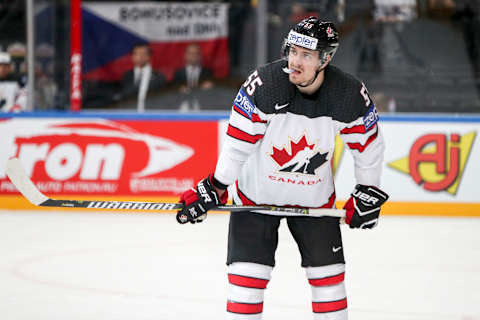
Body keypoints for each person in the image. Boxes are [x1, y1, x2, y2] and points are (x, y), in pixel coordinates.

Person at [176, 17, 389, 320]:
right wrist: (217, 185)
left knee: (330, 286)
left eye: (306, 55)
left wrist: (367, 190)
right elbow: (237, 144)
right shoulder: (265, 84)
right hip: (255, 199)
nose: (295, 61)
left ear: (325, 59)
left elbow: (368, 145)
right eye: (292, 51)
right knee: (245, 289)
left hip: (314, 203)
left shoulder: (348, 94)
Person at [117, 43, 166, 111]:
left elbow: (163, 99)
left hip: (152, 115)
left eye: (143, 54)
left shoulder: (158, 77)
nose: (140, 57)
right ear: (132, 57)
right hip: (129, 114)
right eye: (136, 54)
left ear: (149, 56)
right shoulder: (127, 76)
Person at [172, 43, 214, 111]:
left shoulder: (208, 73)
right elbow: (172, 91)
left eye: (196, 53)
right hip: (182, 108)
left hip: (202, 108)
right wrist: (179, 89)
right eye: (190, 53)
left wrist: (209, 88)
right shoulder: (178, 73)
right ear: (185, 55)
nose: (193, 56)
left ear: (200, 56)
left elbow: (213, 94)